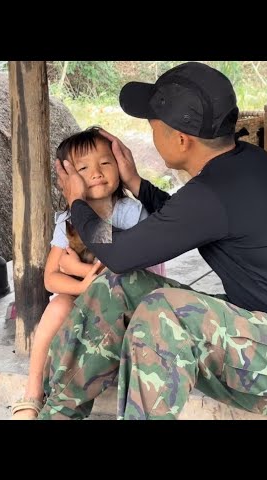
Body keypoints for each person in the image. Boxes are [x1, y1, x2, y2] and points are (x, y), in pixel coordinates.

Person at [39, 62, 267, 420]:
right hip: (265, 341)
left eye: (153, 126)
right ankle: (59, 414)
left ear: (181, 139)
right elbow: (178, 220)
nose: (151, 133)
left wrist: (78, 202)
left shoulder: (214, 192)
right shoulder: (246, 164)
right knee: (119, 286)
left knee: (163, 313)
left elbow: (120, 253)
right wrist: (137, 183)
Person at [11, 127, 165, 419]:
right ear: (66, 180)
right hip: (89, 298)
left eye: (106, 163)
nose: (96, 172)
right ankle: (32, 392)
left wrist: (77, 268)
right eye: (83, 168)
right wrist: (83, 284)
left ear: (120, 165)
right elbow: (50, 278)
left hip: (127, 305)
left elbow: (122, 264)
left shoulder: (130, 213)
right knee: (57, 305)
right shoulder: (68, 221)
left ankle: (67, 403)